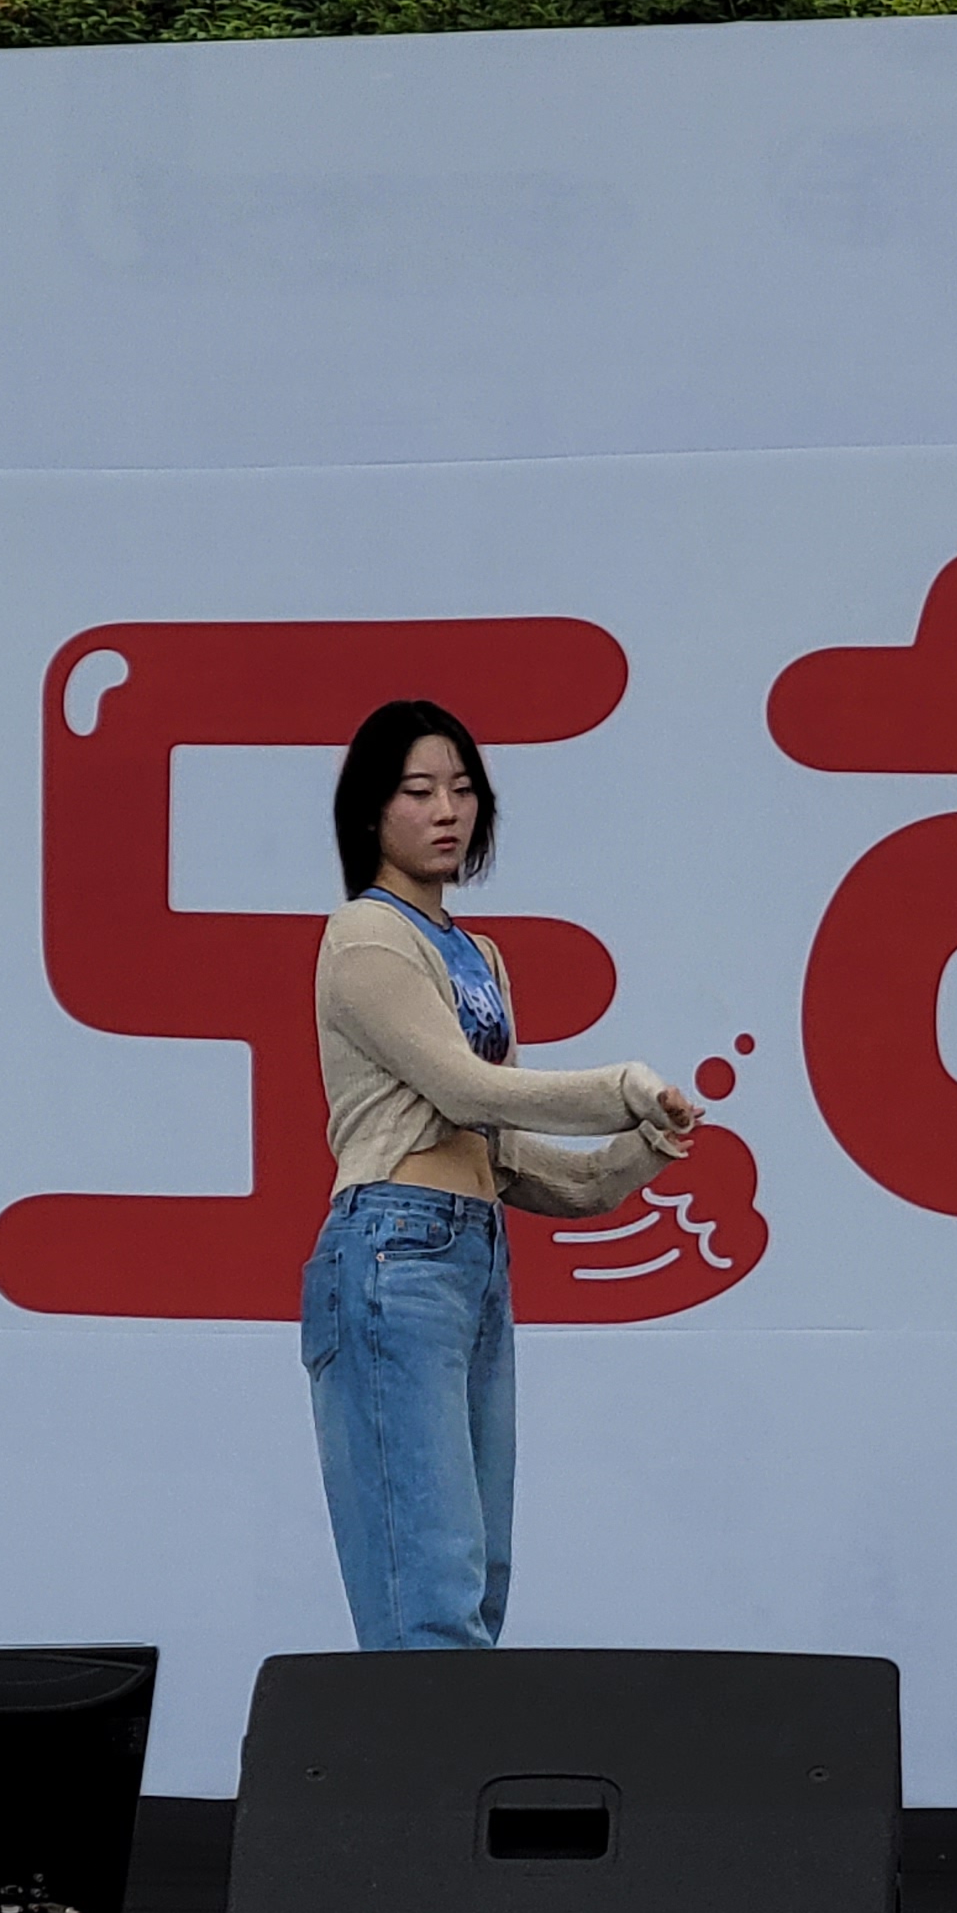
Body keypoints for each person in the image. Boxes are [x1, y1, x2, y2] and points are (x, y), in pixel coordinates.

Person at [302, 698, 697, 1650]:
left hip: (471, 1254)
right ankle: (418, 1755)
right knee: (429, 1588)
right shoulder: (365, 935)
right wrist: (621, 1088)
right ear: (371, 812)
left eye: (463, 788)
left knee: (478, 1582)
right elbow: (465, 1086)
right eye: (418, 791)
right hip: (394, 1248)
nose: (447, 810)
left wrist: (645, 1146)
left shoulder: (477, 955)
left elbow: (511, 1159)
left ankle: (442, 1751)